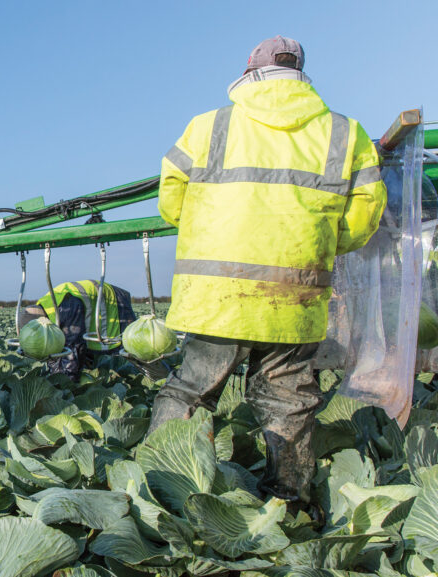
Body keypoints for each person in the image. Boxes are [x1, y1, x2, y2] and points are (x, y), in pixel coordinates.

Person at [150, 36, 387, 507]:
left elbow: (170, 200)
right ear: (301, 73)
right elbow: (364, 216)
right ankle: (288, 503)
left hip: (216, 299)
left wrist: (210, 230)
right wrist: (321, 246)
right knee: (289, 401)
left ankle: (162, 490)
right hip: (294, 300)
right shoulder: (346, 133)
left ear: (249, 70)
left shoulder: (208, 126)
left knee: (190, 393)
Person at [23, 280, 135, 380]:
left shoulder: (66, 308)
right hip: (94, 301)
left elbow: (74, 348)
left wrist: (65, 383)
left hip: (114, 302)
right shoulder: (45, 308)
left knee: (128, 351)